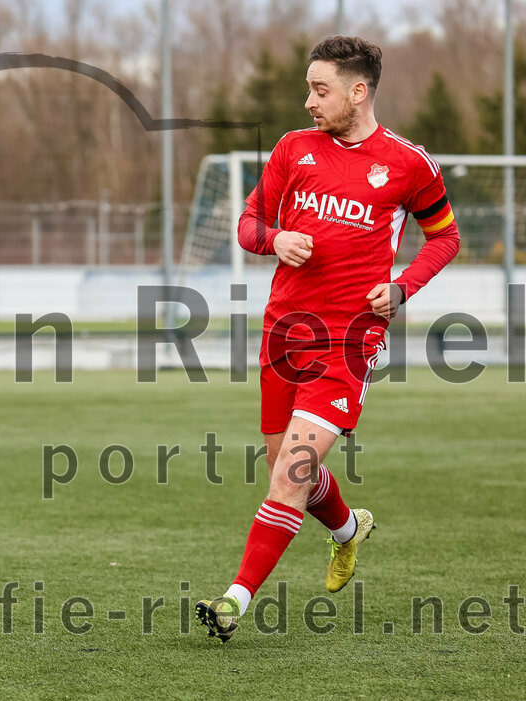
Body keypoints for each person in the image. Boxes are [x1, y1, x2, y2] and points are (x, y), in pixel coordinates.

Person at [195, 36, 461, 643]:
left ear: (358, 91)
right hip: (283, 332)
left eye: (321, 90)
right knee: (286, 470)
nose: (309, 101)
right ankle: (347, 530)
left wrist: (403, 287)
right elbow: (248, 223)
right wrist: (275, 240)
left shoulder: (409, 164)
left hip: (348, 340)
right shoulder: (293, 149)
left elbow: (445, 237)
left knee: (290, 473)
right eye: (309, 89)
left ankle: (234, 601)